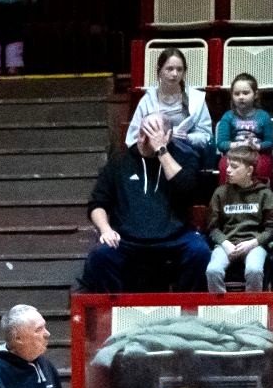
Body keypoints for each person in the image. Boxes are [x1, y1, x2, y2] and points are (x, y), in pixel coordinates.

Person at [83, 115, 210, 292]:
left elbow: (187, 189)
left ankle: (187, 307)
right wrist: (106, 230)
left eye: (150, 135)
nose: (142, 140)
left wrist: (161, 151)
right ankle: (116, 308)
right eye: (141, 133)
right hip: (127, 238)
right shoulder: (119, 161)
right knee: (100, 256)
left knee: (199, 252)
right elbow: (97, 203)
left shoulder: (186, 156)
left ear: (167, 136)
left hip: (175, 237)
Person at [124, 47, 214, 171]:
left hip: (186, 155)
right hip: (154, 156)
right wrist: (155, 140)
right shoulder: (147, 100)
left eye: (179, 69)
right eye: (169, 69)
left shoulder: (196, 99)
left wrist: (187, 137)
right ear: (160, 71)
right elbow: (133, 138)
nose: (175, 74)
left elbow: (206, 136)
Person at [205, 145, 273, 293]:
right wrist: (225, 244)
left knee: (254, 270)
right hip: (227, 244)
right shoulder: (220, 193)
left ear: (249, 170)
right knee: (213, 271)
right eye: (228, 166)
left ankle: (253, 306)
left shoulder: (264, 193)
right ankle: (219, 306)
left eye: (234, 167)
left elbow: (272, 229)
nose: (228, 170)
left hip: (254, 244)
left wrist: (253, 243)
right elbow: (212, 228)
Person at [215, 73, 273, 160]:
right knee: (225, 165)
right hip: (234, 155)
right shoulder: (228, 116)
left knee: (262, 166)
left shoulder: (264, 116)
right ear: (232, 96)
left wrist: (257, 146)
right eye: (237, 94)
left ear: (255, 94)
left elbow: (270, 143)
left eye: (245, 93)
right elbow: (221, 144)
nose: (241, 97)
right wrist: (240, 145)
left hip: (259, 155)